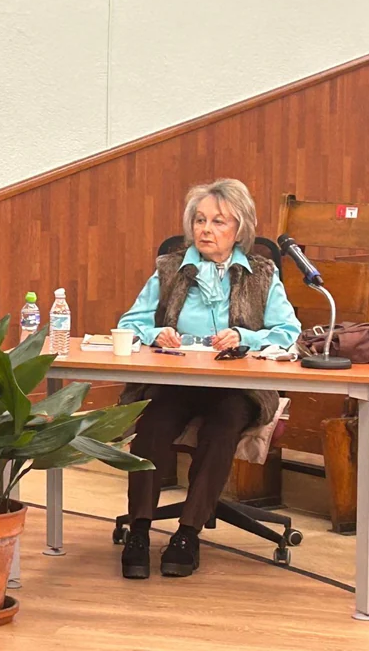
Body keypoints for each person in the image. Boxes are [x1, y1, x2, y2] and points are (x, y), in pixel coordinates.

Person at [115, 179, 301, 580]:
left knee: (222, 428)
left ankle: (187, 534)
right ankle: (140, 531)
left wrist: (245, 337)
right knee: (151, 428)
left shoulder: (262, 274)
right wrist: (154, 333)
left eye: (218, 221)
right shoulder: (170, 270)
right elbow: (130, 322)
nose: (206, 229)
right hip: (176, 382)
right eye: (200, 220)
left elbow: (289, 333)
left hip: (236, 387)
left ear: (240, 229)